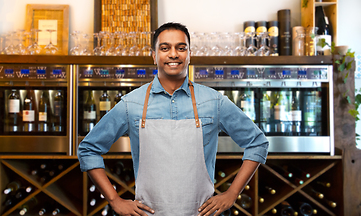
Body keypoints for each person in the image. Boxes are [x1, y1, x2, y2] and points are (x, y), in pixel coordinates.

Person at [78, 22, 269, 216]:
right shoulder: (131, 104)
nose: (173, 54)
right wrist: (114, 200)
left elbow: (257, 143)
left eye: (181, 48)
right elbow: (88, 149)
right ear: (154, 56)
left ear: (189, 54)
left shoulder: (213, 101)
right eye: (164, 48)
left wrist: (232, 193)